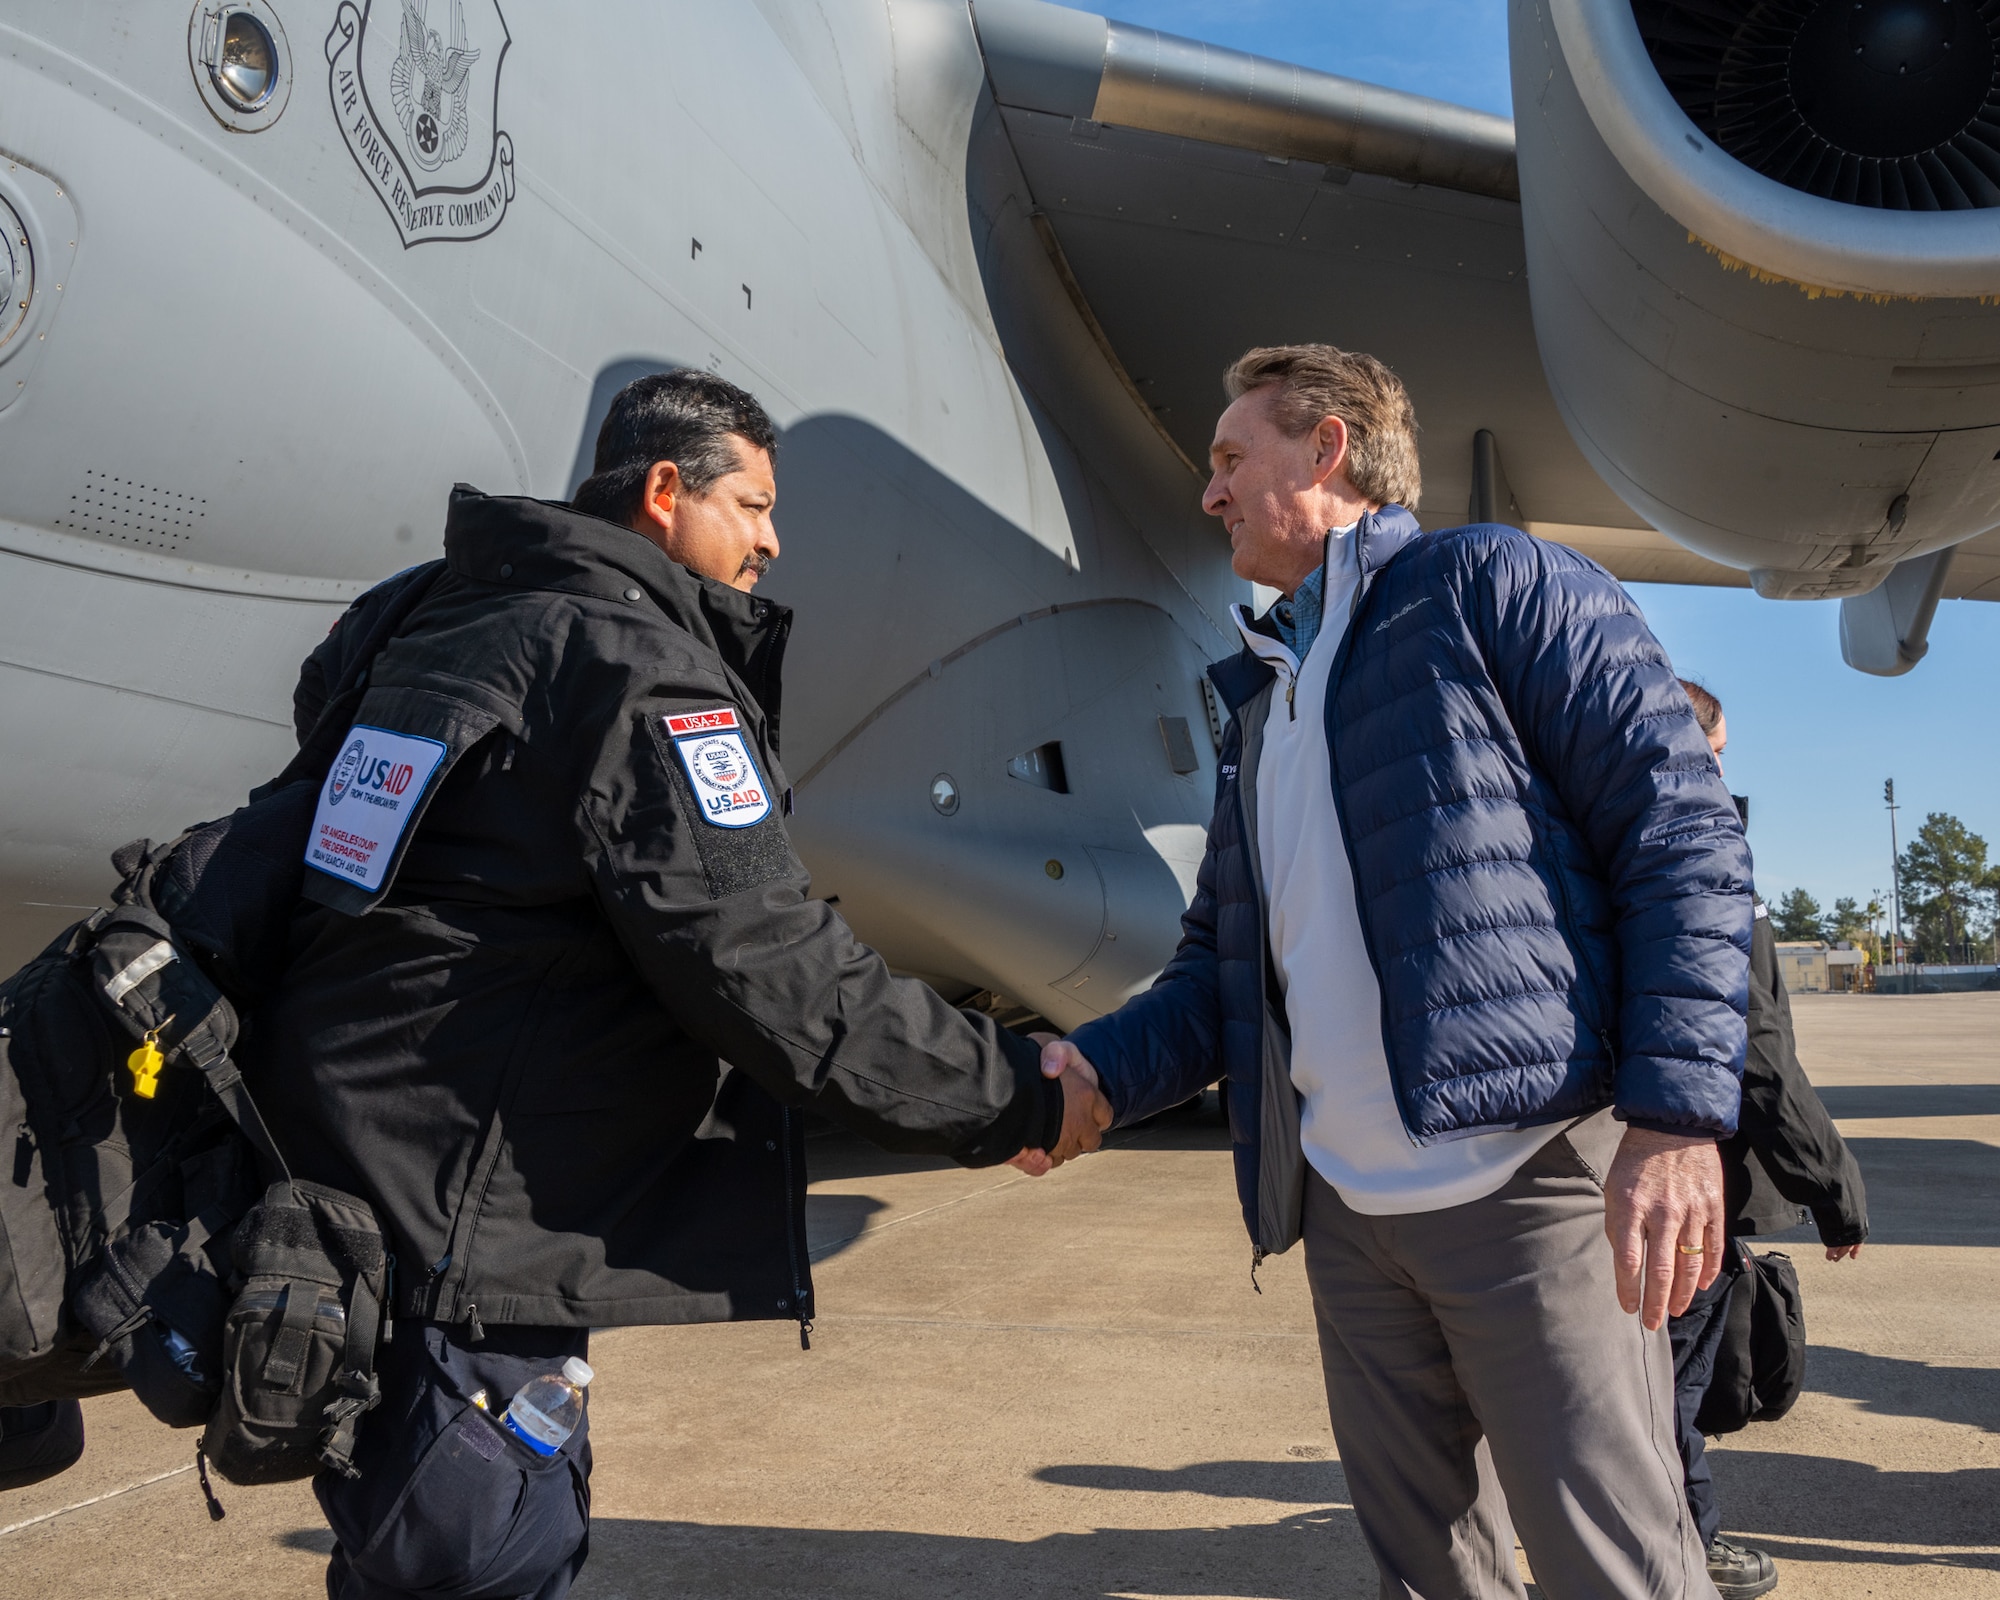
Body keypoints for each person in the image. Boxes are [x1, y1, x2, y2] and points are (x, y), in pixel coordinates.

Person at [245, 369, 1109, 1600]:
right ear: (663, 492)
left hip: (344, 1190)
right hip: (469, 1231)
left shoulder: (429, 614)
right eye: (751, 504)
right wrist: (1011, 1092)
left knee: (402, 1546)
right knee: (482, 1560)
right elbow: (768, 964)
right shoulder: (641, 670)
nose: (768, 541)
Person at [1035, 344, 1752, 1599]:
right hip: (1350, 1220)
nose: (1206, 494)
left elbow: (1679, 833)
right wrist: (1090, 1072)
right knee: (1426, 1575)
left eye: (1229, 458)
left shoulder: (1493, 582)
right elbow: (1223, 969)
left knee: (1614, 1568)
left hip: (1525, 1186)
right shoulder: (1262, 695)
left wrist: (1678, 1118)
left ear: (1327, 450)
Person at [1669, 680, 1868, 1600]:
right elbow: (1757, 1051)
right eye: (1721, 752)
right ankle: (1683, 1546)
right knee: (1670, 1383)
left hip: (1582, 1170)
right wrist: (1832, 1186)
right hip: (1686, 1178)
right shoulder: (1703, 854)